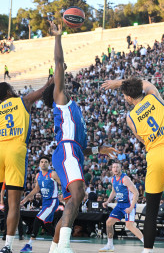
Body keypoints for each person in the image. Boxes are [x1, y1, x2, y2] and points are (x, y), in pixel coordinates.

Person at [42, 21, 119, 253]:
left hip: (73, 152)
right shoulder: (61, 100)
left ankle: (55, 248)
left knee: (73, 202)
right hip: (66, 152)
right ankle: (64, 246)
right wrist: (57, 37)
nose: (62, 73)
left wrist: (98, 150)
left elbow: (83, 149)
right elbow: (57, 63)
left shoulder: (74, 108)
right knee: (77, 194)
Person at [102, 78, 164, 253]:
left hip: (154, 156)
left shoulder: (130, 117)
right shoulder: (154, 95)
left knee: (151, 210)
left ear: (128, 98)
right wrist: (119, 83)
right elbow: (144, 81)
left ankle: (147, 250)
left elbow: (144, 140)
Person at [0, 76, 53, 253]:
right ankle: (7, 246)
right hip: (15, 148)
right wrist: (50, 80)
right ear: (9, 92)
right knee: (13, 204)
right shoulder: (22, 101)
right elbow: (44, 91)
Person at [19, 156, 60, 253]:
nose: (43, 163)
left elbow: (63, 183)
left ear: (49, 164)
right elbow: (36, 189)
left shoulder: (53, 174)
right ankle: (59, 243)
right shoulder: (38, 175)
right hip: (45, 202)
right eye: (42, 162)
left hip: (53, 201)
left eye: (46, 162)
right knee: (47, 224)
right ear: (39, 164)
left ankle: (29, 245)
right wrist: (25, 199)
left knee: (38, 218)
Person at [99, 162, 143, 252]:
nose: (115, 169)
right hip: (119, 205)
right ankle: (110, 245)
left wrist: (131, 207)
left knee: (129, 225)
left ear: (120, 168)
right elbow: (113, 192)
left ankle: (147, 246)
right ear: (111, 169)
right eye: (113, 167)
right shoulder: (113, 179)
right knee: (109, 223)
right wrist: (107, 201)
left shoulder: (125, 179)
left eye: (117, 167)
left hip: (128, 204)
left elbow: (136, 193)